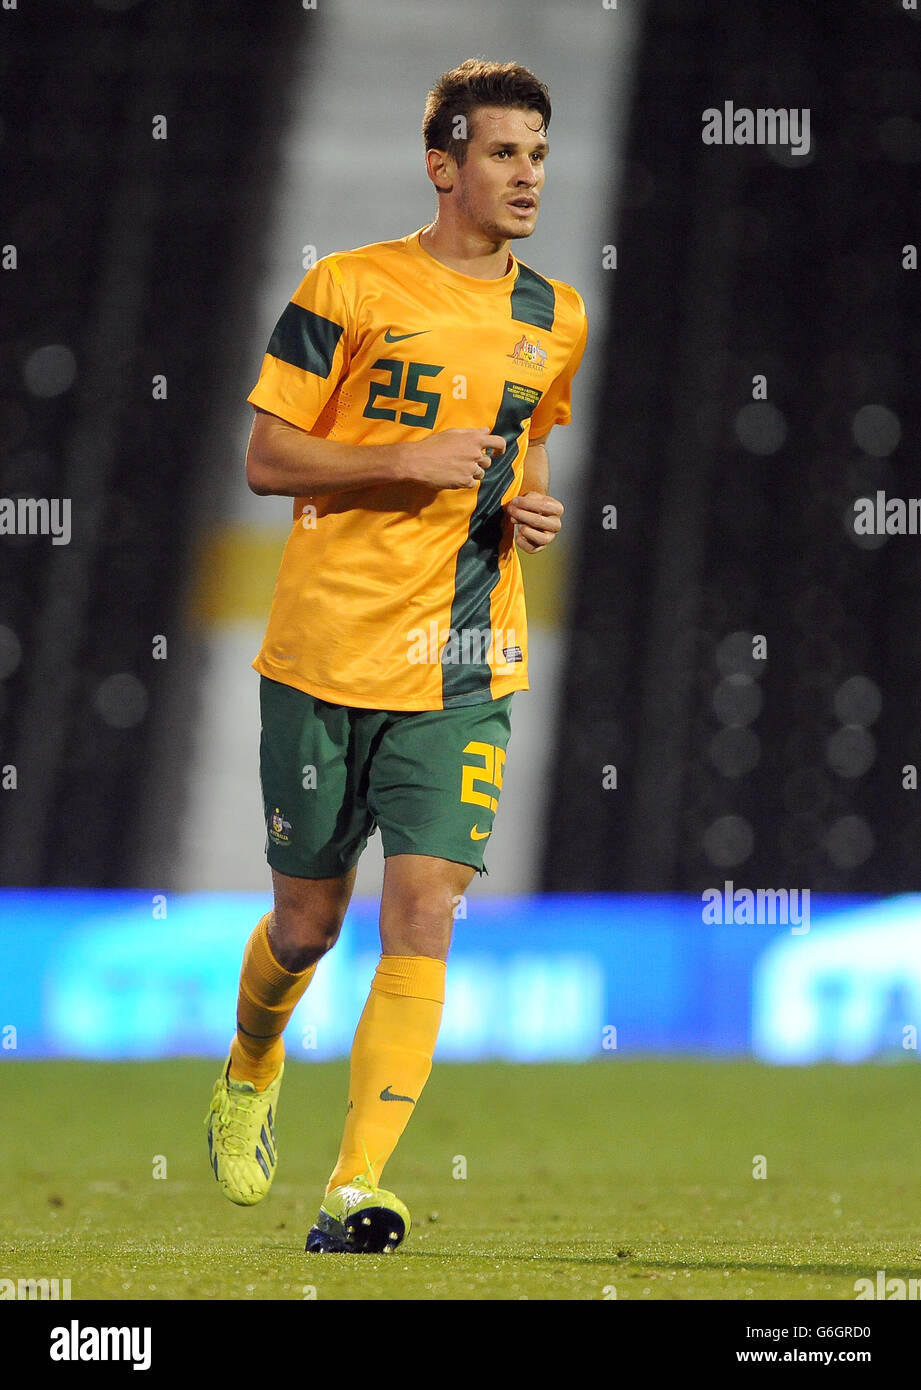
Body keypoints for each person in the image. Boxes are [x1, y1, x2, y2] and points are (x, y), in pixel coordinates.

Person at [206, 57, 588, 1254]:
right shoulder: (348, 285)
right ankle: (250, 1062)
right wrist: (402, 460)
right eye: (502, 153)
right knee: (309, 927)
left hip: (463, 663)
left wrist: (531, 505)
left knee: (423, 915)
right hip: (324, 657)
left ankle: (351, 1190)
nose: (527, 174)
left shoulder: (557, 315)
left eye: (537, 152)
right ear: (444, 165)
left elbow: (520, 453)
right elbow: (267, 458)